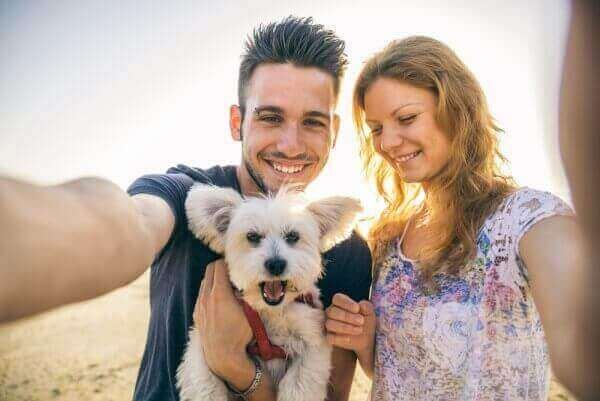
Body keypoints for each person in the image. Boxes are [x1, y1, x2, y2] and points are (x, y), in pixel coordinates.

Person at [0, 17, 372, 401]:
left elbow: (330, 394)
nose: (291, 145)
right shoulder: (184, 194)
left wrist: (237, 368)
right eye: (270, 117)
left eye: (312, 122)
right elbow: (130, 222)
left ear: (334, 132)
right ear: (237, 121)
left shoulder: (348, 252)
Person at [324, 35, 591, 401]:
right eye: (376, 129)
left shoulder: (523, 218)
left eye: (406, 118)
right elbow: (398, 373)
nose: (387, 143)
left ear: (456, 108)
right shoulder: (389, 240)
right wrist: (366, 343)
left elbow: (577, 332)